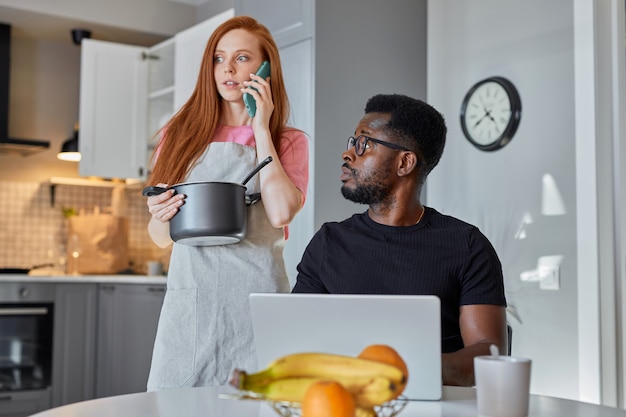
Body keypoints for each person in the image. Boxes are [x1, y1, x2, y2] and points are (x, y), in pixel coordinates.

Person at [292, 93, 506, 387]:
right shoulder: (329, 242)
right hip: (345, 402)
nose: (348, 154)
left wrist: (401, 372)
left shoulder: (467, 246)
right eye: (352, 142)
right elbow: (296, 342)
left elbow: (489, 355)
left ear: (405, 162)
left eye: (364, 144)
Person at [144, 16, 309, 390]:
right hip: (193, 307)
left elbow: (281, 212)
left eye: (243, 58)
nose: (229, 69)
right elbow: (159, 236)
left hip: (256, 301)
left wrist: (261, 128)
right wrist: (160, 214)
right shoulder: (179, 134)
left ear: (265, 68)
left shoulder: (289, 141)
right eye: (219, 58)